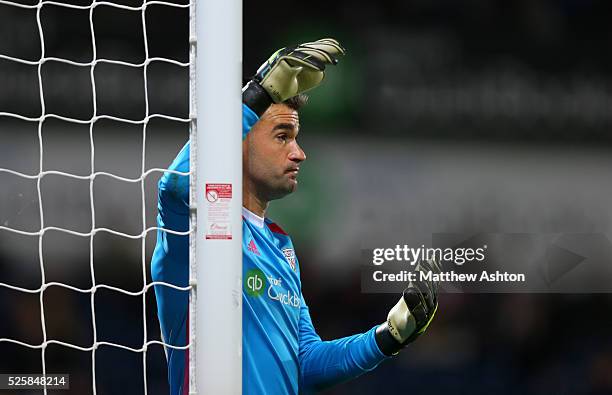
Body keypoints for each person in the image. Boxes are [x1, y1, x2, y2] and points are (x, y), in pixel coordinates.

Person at [151, 38, 440, 395]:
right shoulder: (198, 229)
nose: (299, 153)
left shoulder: (280, 247)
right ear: (237, 141)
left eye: (296, 137)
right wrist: (258, 94)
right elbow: (175, 187)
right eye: (282, 136)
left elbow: (304, 362)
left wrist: (387, 337)